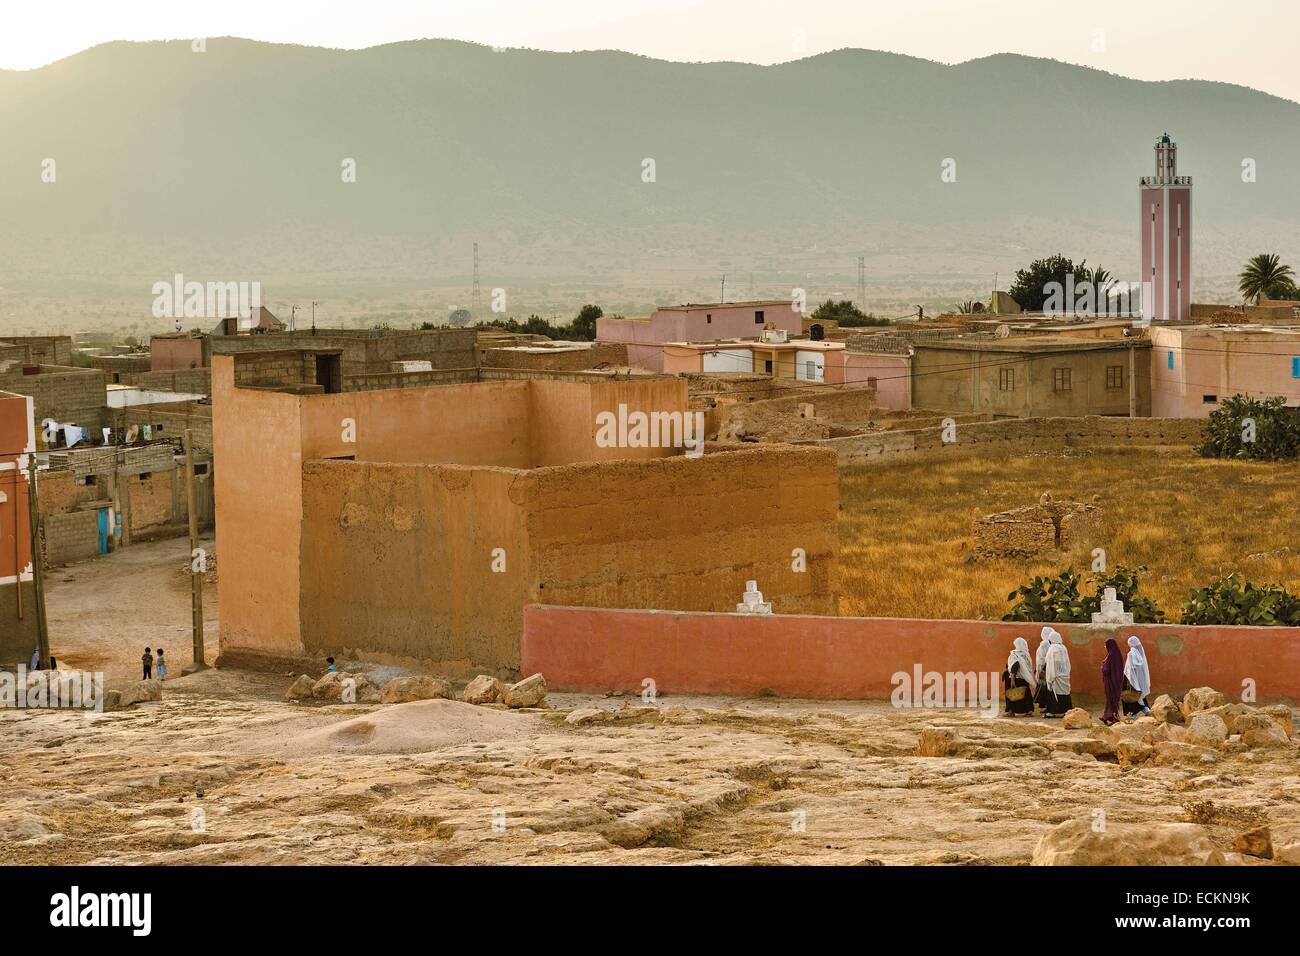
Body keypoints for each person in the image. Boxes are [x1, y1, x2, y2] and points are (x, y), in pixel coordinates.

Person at [1002, 637, 1037, 716]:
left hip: (1015, 677)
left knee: (1011, 694)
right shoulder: (1026, 654)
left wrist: (1012, 679)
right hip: (1024, 678)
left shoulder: (1015, 654)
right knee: (1026, 694)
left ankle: (1011, 711)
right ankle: (1029, 710)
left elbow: (1015, 665)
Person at [1041, 631, 1073, 717]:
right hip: (1064, 674)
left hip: (1055, 675)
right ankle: (1066, 710)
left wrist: (1051, 676)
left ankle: (1052, 712)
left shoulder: (1053, 649)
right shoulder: (1063, 647)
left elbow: (1053, 663)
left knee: (1053, 694)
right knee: (1065, 693)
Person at [1123, 635, 1152, 716]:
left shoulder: (1131, 654)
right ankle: (1146, 710)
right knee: (1140, 694)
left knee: (1130, 696)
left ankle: (1133, 715)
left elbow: (1129, 669)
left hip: (1130, 679)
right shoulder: (1141, 654)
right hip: (1140, 680)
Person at [1100, 638, 1124, 725]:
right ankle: (1106, 716)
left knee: (1112, 699)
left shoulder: (1112, 655)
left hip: (1112, 681)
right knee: (1109, 699)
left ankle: (1114, 718)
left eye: (1105, 645)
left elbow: (1107, 669)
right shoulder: (1113, 654)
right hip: (1111, 681)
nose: (1104, 647)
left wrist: (1103, 668)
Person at [1033, 627, 1055, 713]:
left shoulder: (1045, 644)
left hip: (1044, 669)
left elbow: (1045, 658)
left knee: (1045, 689)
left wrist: (1041, 669)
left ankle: (1048, 706)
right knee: (1046, 688)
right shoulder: (1048, 643)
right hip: (1044, 669)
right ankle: (1047, 706)